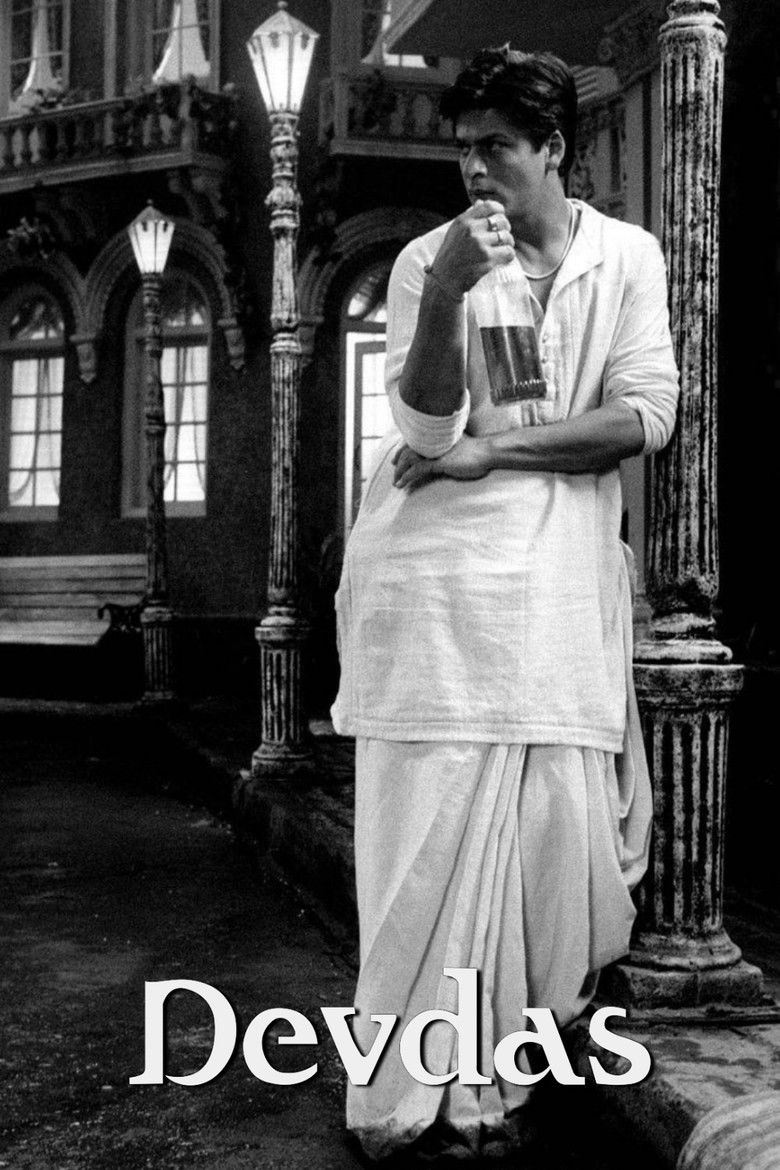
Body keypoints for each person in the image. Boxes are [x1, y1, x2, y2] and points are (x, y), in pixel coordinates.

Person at [331, 47, 679, 1163]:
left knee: (555, 829)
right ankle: (417, 1086)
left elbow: (643, 415)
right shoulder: (428, 260)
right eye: (463, 149)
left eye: (496, 148)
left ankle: (505, 1060)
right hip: (436, 586)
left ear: (553, 149)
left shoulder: (625, 256)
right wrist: (445, 292)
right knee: (429, 829)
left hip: (561, 576)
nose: (474, 170)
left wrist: (498, 452)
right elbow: (427, 430)